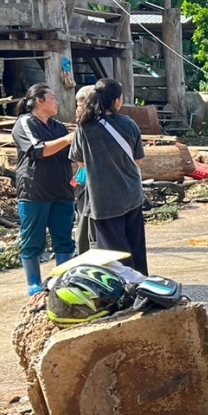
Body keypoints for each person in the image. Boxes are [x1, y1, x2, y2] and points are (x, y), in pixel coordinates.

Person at [70, 78, 148, 275]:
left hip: (103, 200)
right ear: (117, 101)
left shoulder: (84, 128)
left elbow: (81, 165)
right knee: (136, 246)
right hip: (131, 194)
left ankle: (123, 290)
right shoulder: (129, 125)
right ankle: (143, 285)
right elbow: (137, 161)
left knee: (114, 253)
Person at [11, 84, 75, 295]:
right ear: (39, 100)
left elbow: (71, 155)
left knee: (64, 239)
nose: (56, 102)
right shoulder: (25, 123)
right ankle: (34, 284)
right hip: (34, 190)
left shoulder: (58, 127)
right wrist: (67, 140)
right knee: (32, 239)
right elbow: (37, 150)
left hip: (62, 189)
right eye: (52, 98)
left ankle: (62, 280)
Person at [72, 85, 95, 254]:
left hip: (90, 188)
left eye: (79, 105)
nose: (76, 110)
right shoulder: (123, 124)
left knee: (86, 231)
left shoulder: (84, 129)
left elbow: (81, 163)